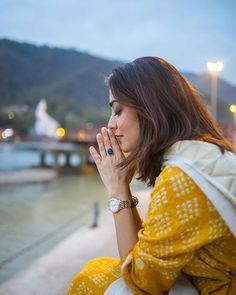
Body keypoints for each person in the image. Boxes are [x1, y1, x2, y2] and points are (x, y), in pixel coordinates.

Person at [66, 57, 236, 295]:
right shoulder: (200, 155)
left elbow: (141, 280)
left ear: (150, 107)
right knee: (98, 268)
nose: (110, 125)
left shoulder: (182, 179)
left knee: (90, 281)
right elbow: (143, 255)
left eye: (118, 111)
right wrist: (122, 188)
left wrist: (117, 190)